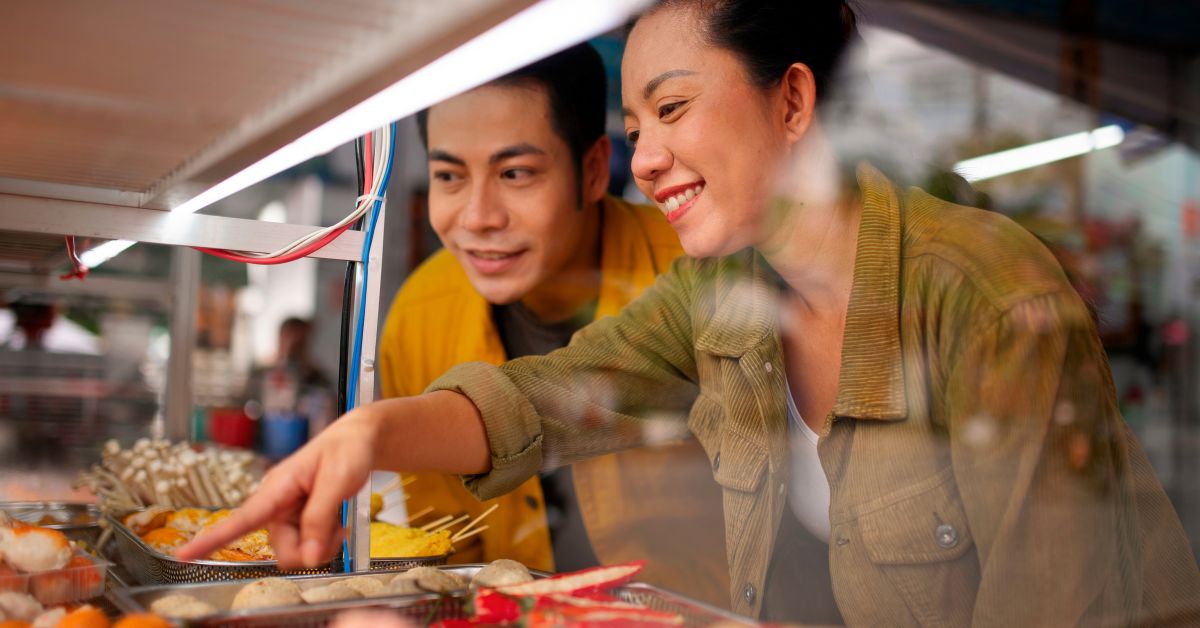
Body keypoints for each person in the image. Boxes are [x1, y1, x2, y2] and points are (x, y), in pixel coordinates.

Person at [181, 1, 1200, 624]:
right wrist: (366, 434)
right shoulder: (722, 293)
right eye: (635, 126)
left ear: (792, 100)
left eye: (671, 109)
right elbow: (548, 397)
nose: (648, 158)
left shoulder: (986, 298)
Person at [374, 43, 727, 601]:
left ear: (593, 170)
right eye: (448, 176)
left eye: (515, 173)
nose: (478, 218)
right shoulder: (419, 317)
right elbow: (443, 549)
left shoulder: (700, 275)